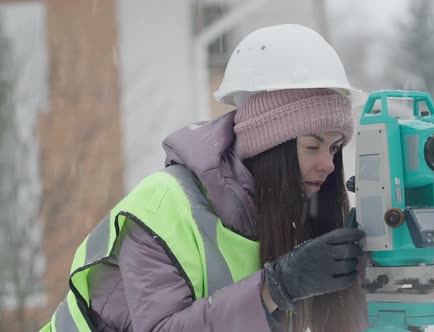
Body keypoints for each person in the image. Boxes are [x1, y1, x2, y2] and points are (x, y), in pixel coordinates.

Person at [41, 24, 368, 332]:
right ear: (269, 144)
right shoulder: (162, 206)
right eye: (312, 146)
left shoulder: (290, 211)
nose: (328, 163)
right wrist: (275, 288)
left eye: (335, 148)